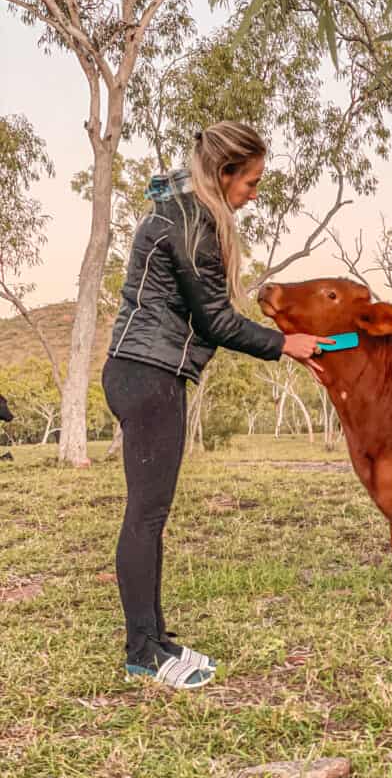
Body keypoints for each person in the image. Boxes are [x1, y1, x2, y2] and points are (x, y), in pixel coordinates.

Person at [103, 122, 322, 690]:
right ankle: (141, 652)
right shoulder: (193, 224)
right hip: (147, 373)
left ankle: (155, 640)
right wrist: (284, 344)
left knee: (152, 516)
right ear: (225, 174)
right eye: (250, 181)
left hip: (143, 369)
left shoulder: (184, 208)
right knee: (146, 517)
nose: (254, 193)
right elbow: (215, 321)